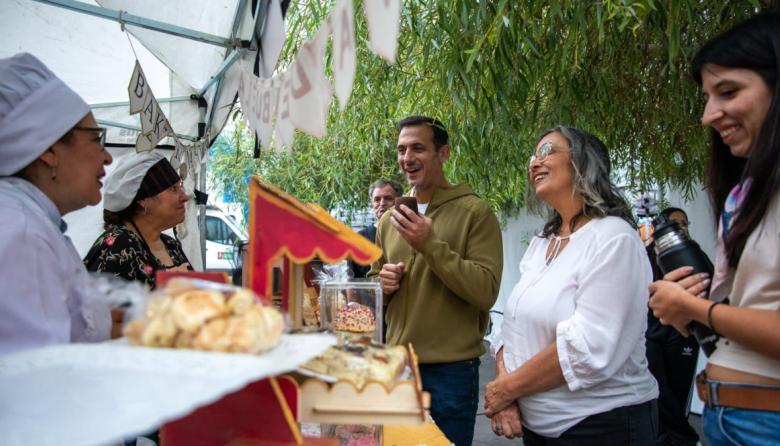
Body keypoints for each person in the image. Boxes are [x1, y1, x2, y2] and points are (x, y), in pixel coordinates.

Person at [649, 12, 780, 444]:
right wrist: (687, 313)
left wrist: (699, 311)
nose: (709, 115)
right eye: (706, 97)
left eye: (729, 91)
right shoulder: (745, 194)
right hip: (728, 418)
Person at [484, 126, 658, 444]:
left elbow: (588, 346)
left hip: (600, 429)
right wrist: (505, 390)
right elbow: (510, 327)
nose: (534, 163)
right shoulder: (542, 242)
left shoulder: (613, 238)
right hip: (539, 430)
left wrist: (505, 389)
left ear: (583, 163)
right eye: (532, 156)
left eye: (547, 151)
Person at [369, 116, 503, 446]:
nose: (407, 158)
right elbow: (372, 288)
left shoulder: (475, 212)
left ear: (443, 153)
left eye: (418, 148)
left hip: (452, 372)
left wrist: (428, 244)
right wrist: (381, 286)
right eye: (402, 149)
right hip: (399, 368)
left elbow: (486, 291)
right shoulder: (388, 220)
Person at [0, 53, 113, 355]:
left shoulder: (35, 222)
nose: (108, 157)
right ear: (48, 150)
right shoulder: (21, 232)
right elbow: (38, 381)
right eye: (96, 139)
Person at [84, 151, 192, 290]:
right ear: (143, 200)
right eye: (173, 189)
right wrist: (169, 286)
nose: (185, 197)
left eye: (181, 187)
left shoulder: (171, 245)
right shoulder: (117, 246)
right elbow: (102, 309)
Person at [645, 207, 701, 446]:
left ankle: (683, 438)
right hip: (651, 328)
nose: (680, 228)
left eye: (684, 223)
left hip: (683, 330)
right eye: (674, 224)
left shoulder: (694, 255)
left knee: (678, 393)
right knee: (658, 389)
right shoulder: (646, 255)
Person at [348, 178, 403, 279]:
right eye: (377, 199)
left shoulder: (409, 233)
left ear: (399, 201)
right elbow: (351, 282)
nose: (382, 203)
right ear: (372, 203)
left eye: (388, 198)